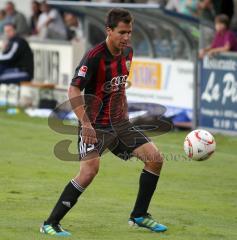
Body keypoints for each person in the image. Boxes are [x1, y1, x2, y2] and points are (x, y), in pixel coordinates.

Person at [40, 8, 168, 236]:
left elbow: (120, 89)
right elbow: (74, 88)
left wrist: (125, 116)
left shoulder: (128, 53)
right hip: (95, 125)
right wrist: (86, 124)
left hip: (120, 124)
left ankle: (139, 215)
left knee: (155, 159)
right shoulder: (95, 56)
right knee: (89, 172)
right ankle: (50, 223)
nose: (127, 37)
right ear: (109, 31)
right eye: (122, 32)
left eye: (129, 32)